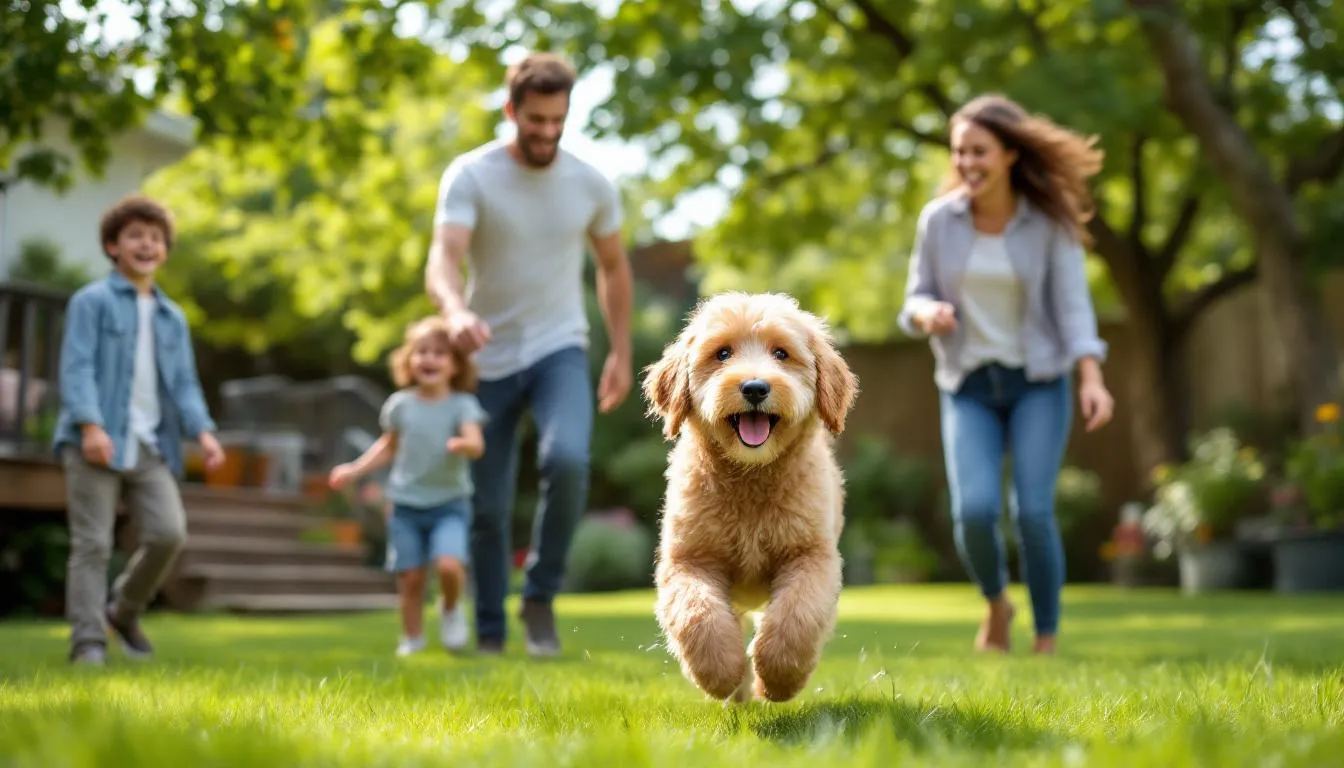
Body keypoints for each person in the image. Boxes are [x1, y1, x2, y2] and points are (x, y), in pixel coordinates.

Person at [424, 51, 634, 657]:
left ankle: (539, 596)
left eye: (557, 121)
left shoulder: (590, 184)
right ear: (511, 109)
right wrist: (454, 311)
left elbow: (614, 267)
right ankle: (490, 630)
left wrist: (620, 352)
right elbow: (443, 258)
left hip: (559, 347)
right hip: (485, 357)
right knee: (486, 506)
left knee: (567, 459)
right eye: (534, 119)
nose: (545, 132)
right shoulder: (472, 174)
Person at [897, 94, 1116, 656]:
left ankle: (1045, 640)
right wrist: (927, 313)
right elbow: (915, 297)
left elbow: (1073, 308)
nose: (967, 163)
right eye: (959, 152)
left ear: (1011, 154)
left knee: (1034, 513)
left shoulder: (1047, 225)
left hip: (1037, 383)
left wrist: (1090, 378)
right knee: (972, 512)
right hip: (967, 385)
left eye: (980, 151)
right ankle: (997, 604)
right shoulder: (938, 221)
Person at [52, 194, 225, 666]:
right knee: (93, 544)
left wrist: (204, 431)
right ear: (113, 245)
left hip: (150, 443)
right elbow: (77, 368)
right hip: (96, 439)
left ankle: (123, 610)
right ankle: (87, 640)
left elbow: (186, 383)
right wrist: (90, 426)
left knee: (169, 533)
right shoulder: (92, 302)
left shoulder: (173, 317)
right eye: (135, 236)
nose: (146, 245)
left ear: (165, 250)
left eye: (155, 238)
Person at [329, 316, 487, 657]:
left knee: (449, 565)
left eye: (440, 353)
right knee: (411, 577)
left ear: (456, 365)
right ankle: (412, 638)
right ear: (409, 360)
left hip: (450, 503)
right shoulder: (401, 405)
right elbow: (388, 446)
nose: (429, 359)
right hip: (405, 506)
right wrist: (354, 470)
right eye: (422, 352)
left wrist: (465, 446)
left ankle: (450, 608)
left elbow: (476, 442)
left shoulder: (462, 405)